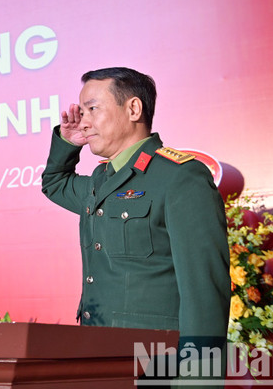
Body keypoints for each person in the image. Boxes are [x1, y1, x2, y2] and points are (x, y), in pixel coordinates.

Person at [41, 67, 230, 381]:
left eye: (92, 109)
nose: (84, 121)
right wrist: (67, 143)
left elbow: (204, 294)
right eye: (82, 111)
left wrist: (199, 379)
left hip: (157, 366)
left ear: (133, 109)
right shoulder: (101, 180)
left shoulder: (180, 177)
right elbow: (55, 183)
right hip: (102, 363)